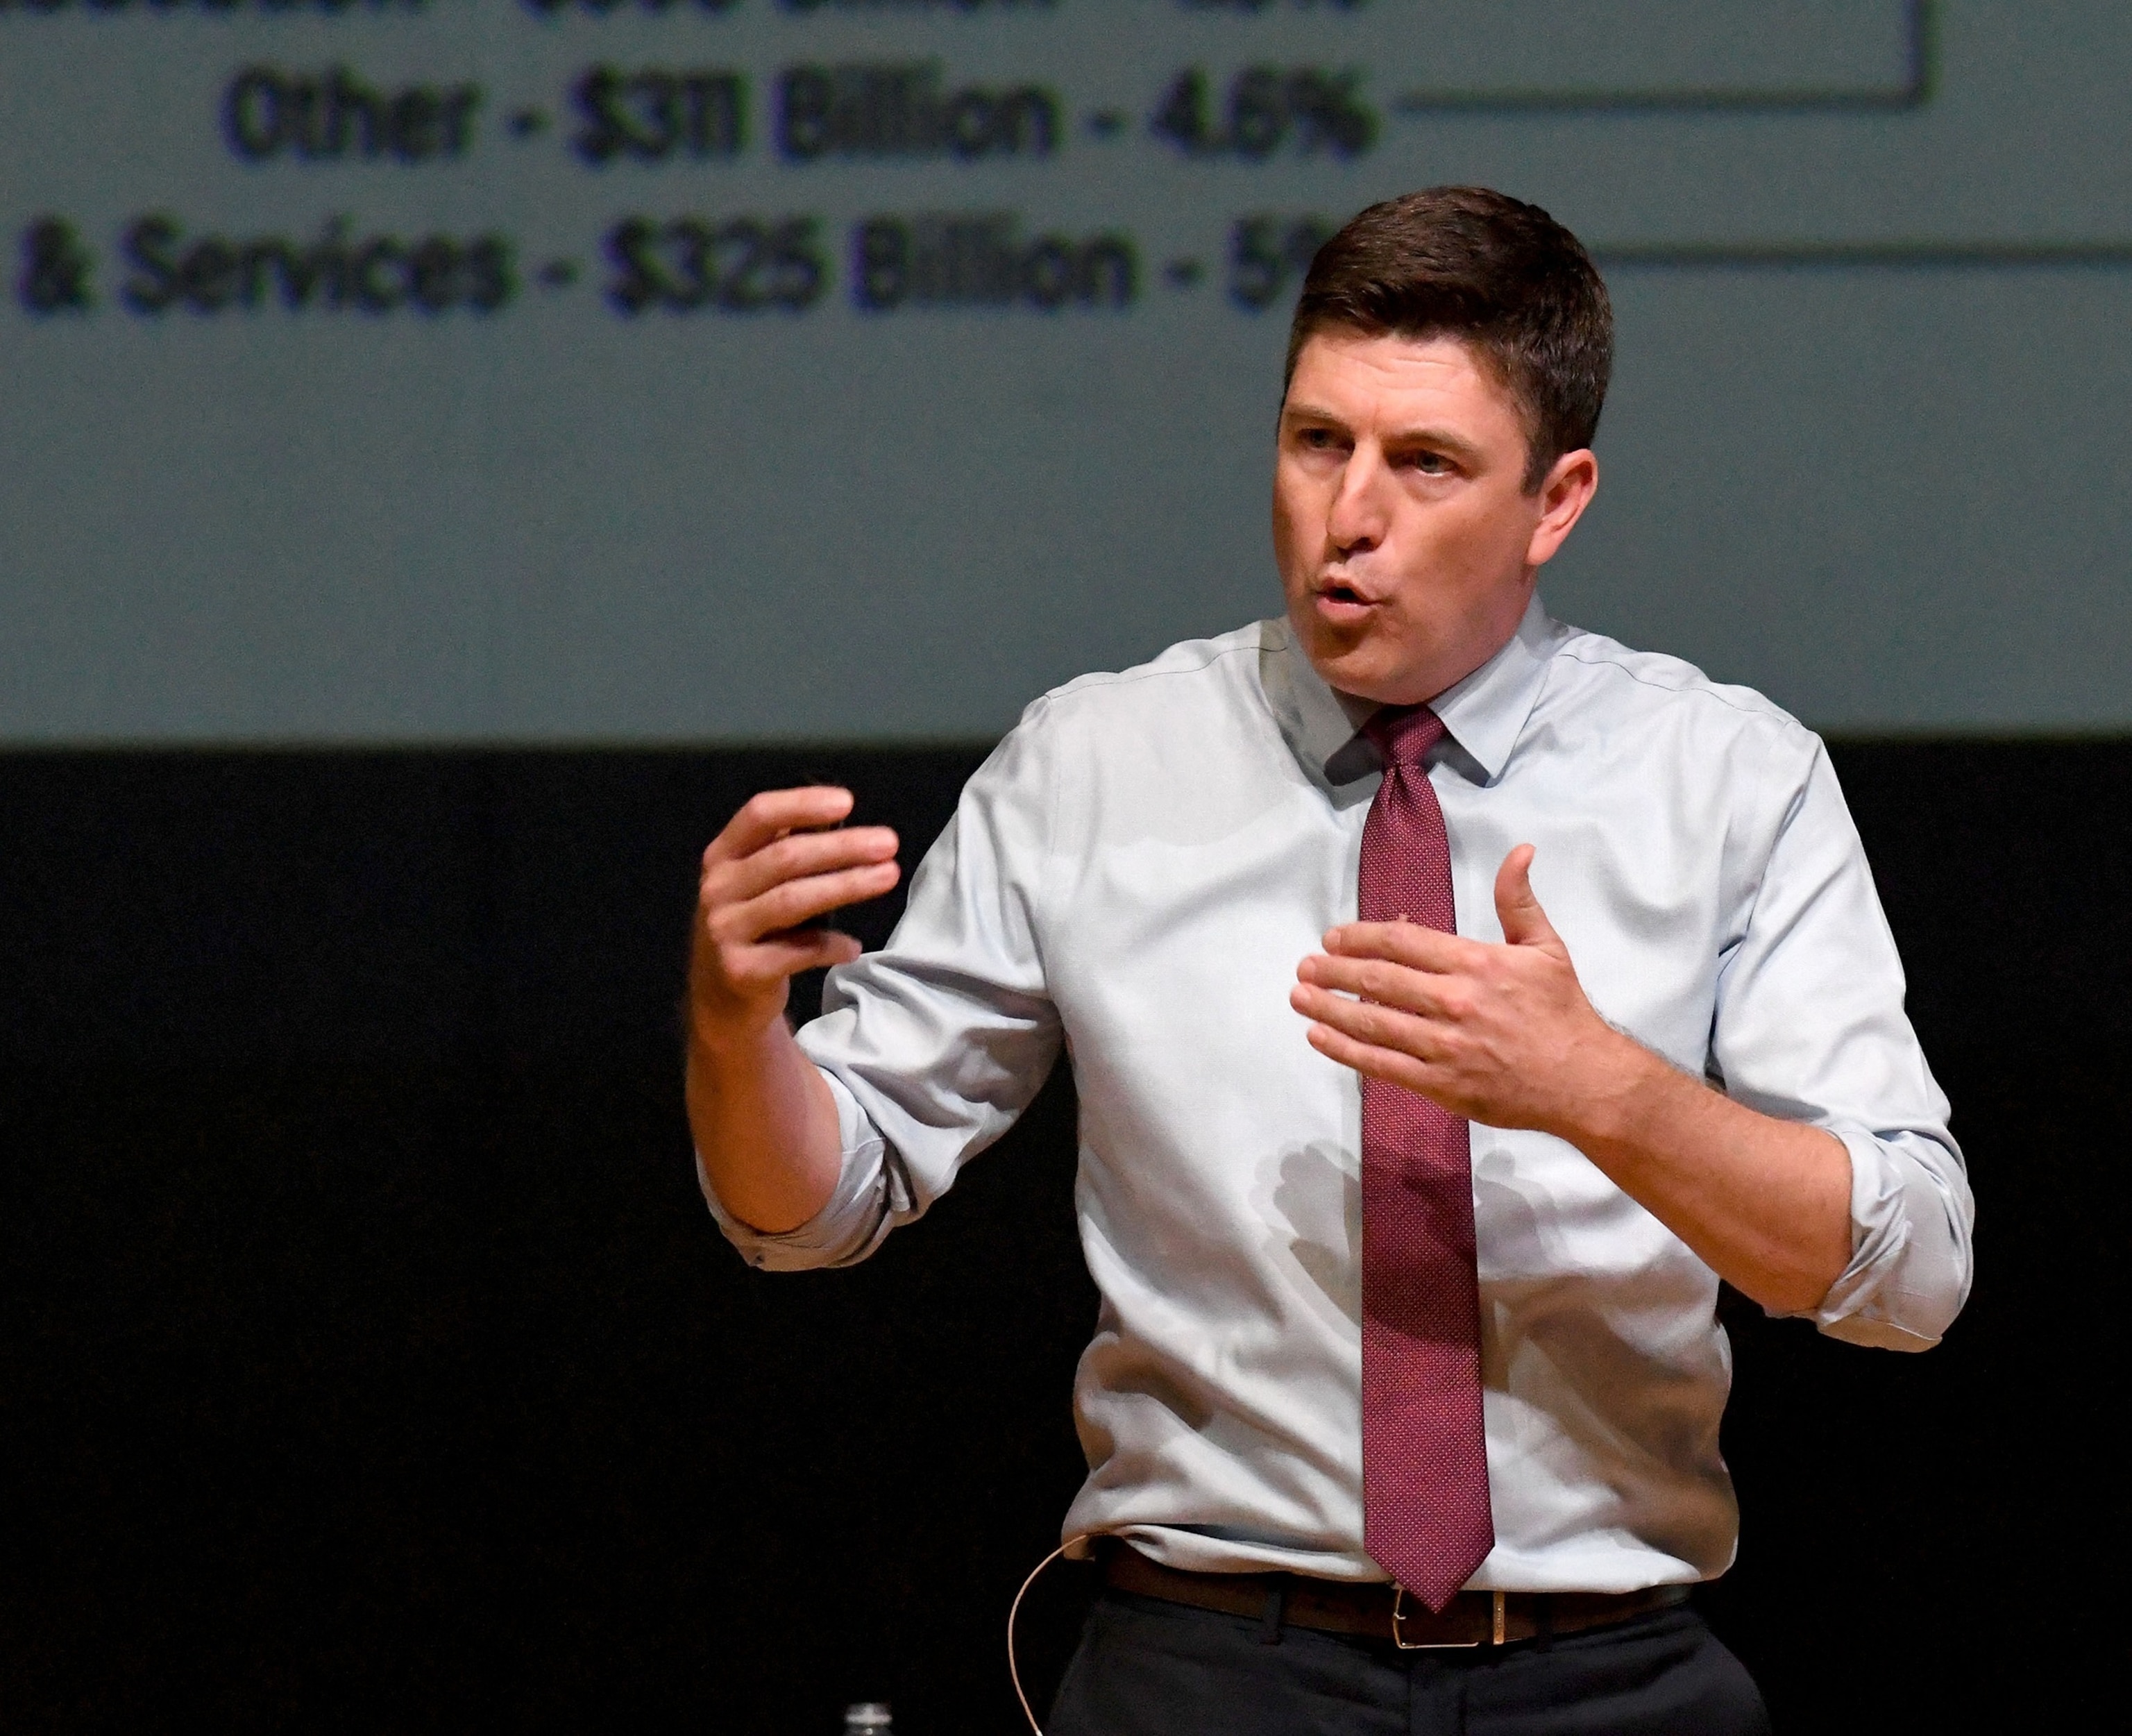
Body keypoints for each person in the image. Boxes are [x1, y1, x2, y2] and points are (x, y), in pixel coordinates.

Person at [683, 187, 1972, 1735]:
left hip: (1608, 1674)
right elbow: (810, 1209)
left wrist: (1599, 1092)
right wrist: (730, 1020)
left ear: (1556, 502)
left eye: (1425, 464)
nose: (1347, 514)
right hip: (1213, 1663)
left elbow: (1911, 1276)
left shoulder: (1730, 780)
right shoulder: (1095, 764)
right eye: (1316, 443)